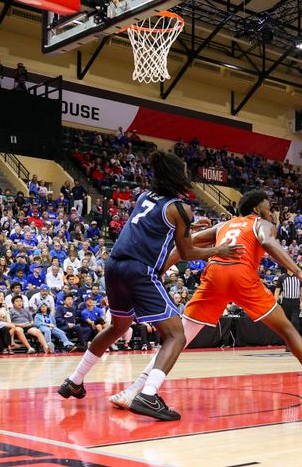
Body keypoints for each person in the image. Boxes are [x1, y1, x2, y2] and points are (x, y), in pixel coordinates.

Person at [109, 190, 302, 412]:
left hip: (214, 275)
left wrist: (160, 270)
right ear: (256, 209)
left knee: (178, 339)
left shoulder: (222, 225)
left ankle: (133, 391)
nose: (271, 212)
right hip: (241, 276)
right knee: (288, 330)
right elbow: (269, 243)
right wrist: (298, 271)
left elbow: (184, 248)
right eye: (268, 207)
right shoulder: (261, 224)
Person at [58, 151, 243, 421]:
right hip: (139, 270)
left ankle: (74, 380)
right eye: (183, 168)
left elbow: (157, 230)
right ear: (176, 174)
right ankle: (148, 395)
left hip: (114, 266)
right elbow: (188, 253)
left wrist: (189, 228)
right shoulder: (180, 208)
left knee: (118, 326)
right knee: (176, 335)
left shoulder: (146, 197)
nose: (187, 172)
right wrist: (219, 250)